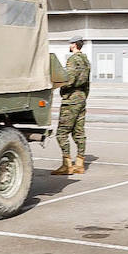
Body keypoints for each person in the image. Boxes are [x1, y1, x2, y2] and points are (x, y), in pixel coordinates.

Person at [52, 38, 90, 175]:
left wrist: (58, 85)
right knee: (79, 132)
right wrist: (83, 96)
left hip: (71, 100)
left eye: (70, 43)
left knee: (61, 133)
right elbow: (87, 84)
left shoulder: (73, 59)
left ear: (74, 45)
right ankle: (79, 164)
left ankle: (67, 165)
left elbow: (69, 80)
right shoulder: (86, 60)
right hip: (81, 98)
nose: (69, 46)